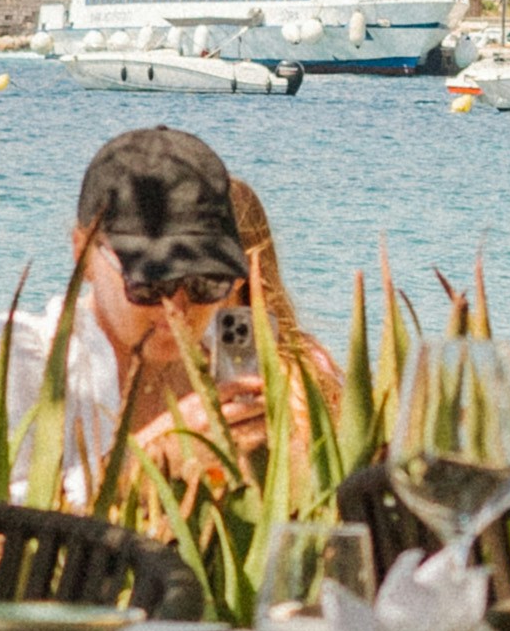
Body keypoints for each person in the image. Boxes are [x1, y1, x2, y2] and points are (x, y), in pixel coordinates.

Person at [22, 126, 318, 492]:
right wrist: (149, 461)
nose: (178, 307)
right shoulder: (28, 359)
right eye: (151, 282)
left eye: (205, 283)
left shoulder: (234, 351)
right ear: (82, 253)